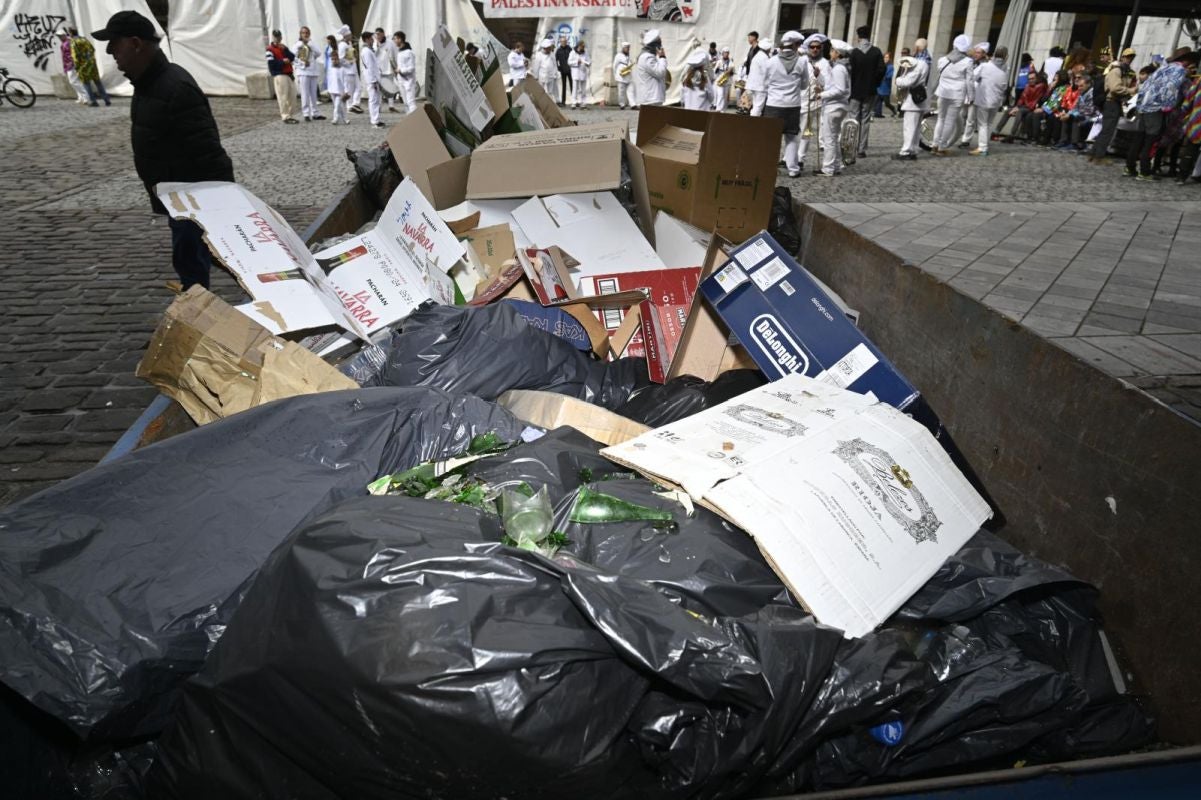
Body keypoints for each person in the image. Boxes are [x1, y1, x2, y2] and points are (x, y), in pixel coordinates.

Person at [94, 10, 233, 290]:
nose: (110, 51)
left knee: (200, 264)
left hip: (191, 201)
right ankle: (197, 308)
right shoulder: (148, 83)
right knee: (191, 264)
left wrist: (223, 203)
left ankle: (200, 315)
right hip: (175, 198)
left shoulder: (174, 86)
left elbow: (207, 151)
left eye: (114, 43)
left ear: (135, 43)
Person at [1126, 47, 1192, 180]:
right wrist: (1168, 105)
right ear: (1186, 60)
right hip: (1156, 107)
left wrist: (1140, 103)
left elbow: (1147, 84)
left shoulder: (1163, 68)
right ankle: (1144, 171)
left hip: (1145, 105)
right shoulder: (1179, 70)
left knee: (1139, 137)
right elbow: (1171, 87)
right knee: (1151, 138)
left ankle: (1130, 167)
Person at [760, 31, 809, 177]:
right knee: (791, 138)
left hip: (774, 104)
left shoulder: (771, 62)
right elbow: (805, 84)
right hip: (792, 105)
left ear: (781, 46)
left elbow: (765, 83)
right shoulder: (801, 62)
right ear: (794, 45)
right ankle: (793, 169)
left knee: (771, 139)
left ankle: (768, 168)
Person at [1088, 47, 1137, 162]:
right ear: (1122, 57)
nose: (1130, 59)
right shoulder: (1116, 71)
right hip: (1111, 102)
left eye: (1132, 57)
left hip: (1115, 102)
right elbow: (1115, 88)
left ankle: (1094, 153)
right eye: (1128, 57)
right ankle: (1099, 156)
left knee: (1106, 129)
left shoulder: (1124, 71)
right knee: (1108, 131)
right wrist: (1131, 91)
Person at [931, 34, 973, 155]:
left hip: (943, 92)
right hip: (957, 94)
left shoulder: (942, 60)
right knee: (949, 121)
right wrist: (971, 97)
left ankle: (935, 144)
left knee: (941, 119)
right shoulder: (968, 62)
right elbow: (969, 81)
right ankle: (942, 147)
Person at [848, 25, 885, 157]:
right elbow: (882, 69)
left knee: (853, 118)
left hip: (855, 90)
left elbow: (849, 72)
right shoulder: (876, 51)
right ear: (869, 36)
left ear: (858, 37)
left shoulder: (854, 53)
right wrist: (875, 83)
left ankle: (851, 146)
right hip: (870, 90)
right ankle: (861, 149)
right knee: (865, 119)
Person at [816, 39, 851, 176]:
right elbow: (831, 84)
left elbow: (840, 89)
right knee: (833, 138)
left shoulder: (839, 68)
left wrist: (822, 95)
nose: (830, 53)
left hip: (834, 106)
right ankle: (836, 165)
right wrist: (818, 76)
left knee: (829, 139)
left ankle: (828, 168)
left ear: (837, 53)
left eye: (832, 51)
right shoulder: (839, 67)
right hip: (836, 105)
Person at [797, 33, 829, 171]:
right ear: (808, 48)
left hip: (812, 103)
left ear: (821, 48)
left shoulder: (825, 64)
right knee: (793, 132)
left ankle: (800, 159)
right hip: (797, 100)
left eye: (817, 47)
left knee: (806, 132)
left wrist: (819, 76)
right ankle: (788, 157)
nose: (815, 49)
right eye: (812, 47)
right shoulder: (802, 60)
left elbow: (827, 84)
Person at [970, 45, 1007, 155]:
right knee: (989, 123)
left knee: (982, 124)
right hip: (996, 100)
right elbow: (1004, 86)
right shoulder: (1005, 69)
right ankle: (985, 144)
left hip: (984, 99)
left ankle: (983, 147)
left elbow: (973, 76)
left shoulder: (985, 66)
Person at [891, 54, 930, 160]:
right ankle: (913, 149)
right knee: (916, 128)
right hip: (918, 100)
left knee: (909, 128)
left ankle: (906, 151)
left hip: (912, 102)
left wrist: (898, 79)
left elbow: (907, 82)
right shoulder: (924, 64)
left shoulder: (916, 68)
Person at [999, 71, 1047, 141]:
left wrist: (1019, 108)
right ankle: (997, 130)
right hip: (1024, 106)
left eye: (1033, 78)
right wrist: (1017, 106)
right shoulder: (1027, 86)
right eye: (1029, 79)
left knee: (1019, 112)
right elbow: (1022, 98)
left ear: (1037, 79)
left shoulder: (1041, 86)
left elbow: (1035, 101)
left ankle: (1012, 134)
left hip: (1031, 108)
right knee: (1008, 111)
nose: (1031, 80)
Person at [265, 30, 298, 125]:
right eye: (276, 36)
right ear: (273, 37)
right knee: (283, 97)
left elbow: (292, 57)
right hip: (279, 74)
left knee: (292, 95)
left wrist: (286, 50)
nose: (278, 38)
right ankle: (285, 116)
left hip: (288, 74)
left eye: (279, 36)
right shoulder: (269, 50)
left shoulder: (283, 47)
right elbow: (271, 65)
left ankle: (290, 115)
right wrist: (282, 61)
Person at [71, 28, 110, 106]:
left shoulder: (74, 42)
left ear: (71, 33)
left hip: (83, 66)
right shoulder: (84, 39)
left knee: (86, 84)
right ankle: (106, 99)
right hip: (92, 64)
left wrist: (77, 66)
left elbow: (75, 56)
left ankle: (93, 101)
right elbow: (92, 49)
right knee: (98, 82)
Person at [294, 27, 324, 122]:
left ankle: (315, 113)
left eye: (307, 33)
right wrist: (302, 63)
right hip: (303, 71)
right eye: (303, 33)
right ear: (300, 34)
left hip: (313, 71)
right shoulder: (297, 45)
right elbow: (293, 58)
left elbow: (319, 53)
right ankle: (306, 113)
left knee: (313, 94)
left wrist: (309, 43)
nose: (305, 34)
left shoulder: (312, 43)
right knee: (305, 93)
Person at [635, 30, 668, 106]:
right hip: (651, 98)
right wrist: (662, 57)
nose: (661, 47)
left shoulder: (648, 56)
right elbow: (660, 72)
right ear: (656, 45)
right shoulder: (647, 57)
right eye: (660, 44)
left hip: (652, 98)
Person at [56, 29, 88, 104]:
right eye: (59, 36)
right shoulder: (65, 43)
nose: (59, 37)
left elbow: (72, 53)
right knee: (76, 81)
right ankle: (81, 97)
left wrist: (72, 62)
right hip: (69, 64)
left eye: (60, 36)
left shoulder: (68, 42)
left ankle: (85, 96)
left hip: (71, 64)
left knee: (73, 81)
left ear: (64, 35)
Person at [359, 32, 383, 127]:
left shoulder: (368, 50)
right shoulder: (366, 51)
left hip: (373, 78)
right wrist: (373, 80)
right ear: (367, 39)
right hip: (372, 79)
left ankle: (376, 119)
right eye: (371, 38)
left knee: (376, 99)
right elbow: (370, 67)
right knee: (373, 100)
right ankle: (374, 121)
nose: (373, 40)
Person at [374, 28, 399, 113]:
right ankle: (379, 107)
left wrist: (396, 66)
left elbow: (395, 53)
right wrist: (377, 46)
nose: (378, 36)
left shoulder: (390, 43)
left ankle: (391, 106)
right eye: (376, 34)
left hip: (388, 68)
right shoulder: (375, 44)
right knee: (379, 89)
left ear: (383, 34)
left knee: (390, 87)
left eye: (379, 34)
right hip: (379, 69)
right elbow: (373, 55)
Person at [746, 31, 771, 116]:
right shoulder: (764, 58)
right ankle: (752, 125)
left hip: (752, 85)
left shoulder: (757, 56)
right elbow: (766, 73)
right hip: (760, 87)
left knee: (755, 107)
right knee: (757, 108)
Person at [395, 32, 418, 114]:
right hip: (401, 80)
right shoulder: (399, 52)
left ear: (400, 39)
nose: (395, 41)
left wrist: (400, 70)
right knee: (405, 103)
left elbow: (411, 68)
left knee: (411, 102)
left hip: (409, 81)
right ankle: (409, 121)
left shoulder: (409, 52)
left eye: (396, 39)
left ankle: (415, 120)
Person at [568, 42, 591, 109]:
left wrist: (588, 63)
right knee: (575, 89)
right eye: (581, 47)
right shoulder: (572, 53)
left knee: (583, 89)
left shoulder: (585, 53)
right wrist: (576, 62)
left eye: (583, 47)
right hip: (575, 72)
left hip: (583, 73)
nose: (583, 48)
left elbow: (589, 60)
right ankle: (574, 103)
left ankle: (583, 103)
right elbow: (569, 62)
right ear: (578, 46)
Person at [712, 46, 734, 111]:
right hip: (720, 82)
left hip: (727, 82)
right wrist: (717, 69)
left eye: (727, 53)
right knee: (720, 95)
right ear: (722, 53)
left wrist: (729, 72)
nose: (726, 54)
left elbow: (732, 71)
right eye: (725, 53)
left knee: (725, 96)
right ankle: (718, 109)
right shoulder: (719, 61)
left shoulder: (731, 62)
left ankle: (723, 110)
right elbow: (714, 71)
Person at [874, 53, 896, 117]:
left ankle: (894, 109)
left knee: (887, 103)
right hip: (880, 86)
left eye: (887, 57)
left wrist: (883, 75)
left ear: (889, 59)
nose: (885, 59)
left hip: (886, 87)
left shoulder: (890, 67)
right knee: (878, 101)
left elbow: (889, 76)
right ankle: (878, 113)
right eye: (885, 57)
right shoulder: (881, 65)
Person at [613, 42, 633, 109]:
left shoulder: (629, 56)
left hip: (628, 75)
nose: (628, 49)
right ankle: (622, 104)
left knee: (630, 90)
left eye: (628, 48)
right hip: (621, 76)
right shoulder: (618, 55)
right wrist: (615, 75)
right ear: (623, 48)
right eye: (627, 48)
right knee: (621, 91)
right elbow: (615, 66)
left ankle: (633, 104)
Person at [555, 36, 573, 106]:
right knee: (564, 86)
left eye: (565, 41)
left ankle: (573, 101)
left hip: (570, 70)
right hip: (563, 71)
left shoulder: (570, 49)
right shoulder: (558, 50)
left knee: (572, 85)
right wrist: (559, 68)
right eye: (562, 41)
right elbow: (556, 60)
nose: (564, 43)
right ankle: (563, 101)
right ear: (560, 42)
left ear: (566, 42)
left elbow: (573, 57)